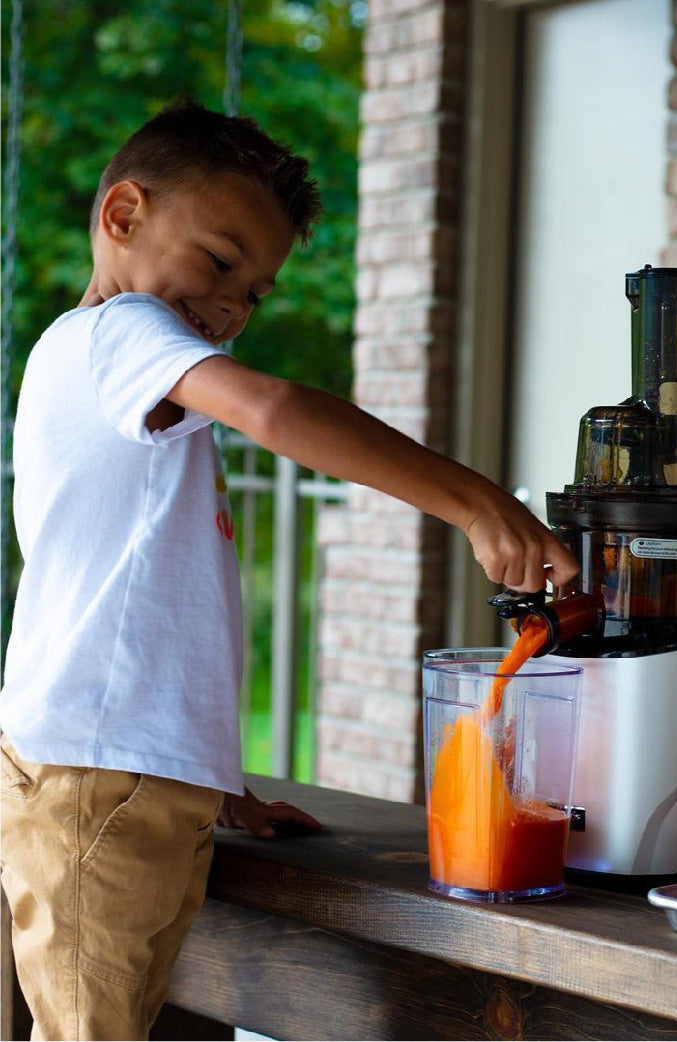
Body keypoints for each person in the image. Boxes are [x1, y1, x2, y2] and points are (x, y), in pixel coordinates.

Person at [0, 99, 578, 1040]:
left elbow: (130, 602)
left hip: (119, 777)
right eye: (221, 262)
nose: (231, 306)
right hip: (91, 785)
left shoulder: (116, 371)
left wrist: (208, 777)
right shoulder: (120, 333)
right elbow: (273, 410)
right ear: (123, 217)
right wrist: (477, 503)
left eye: (255, 291)